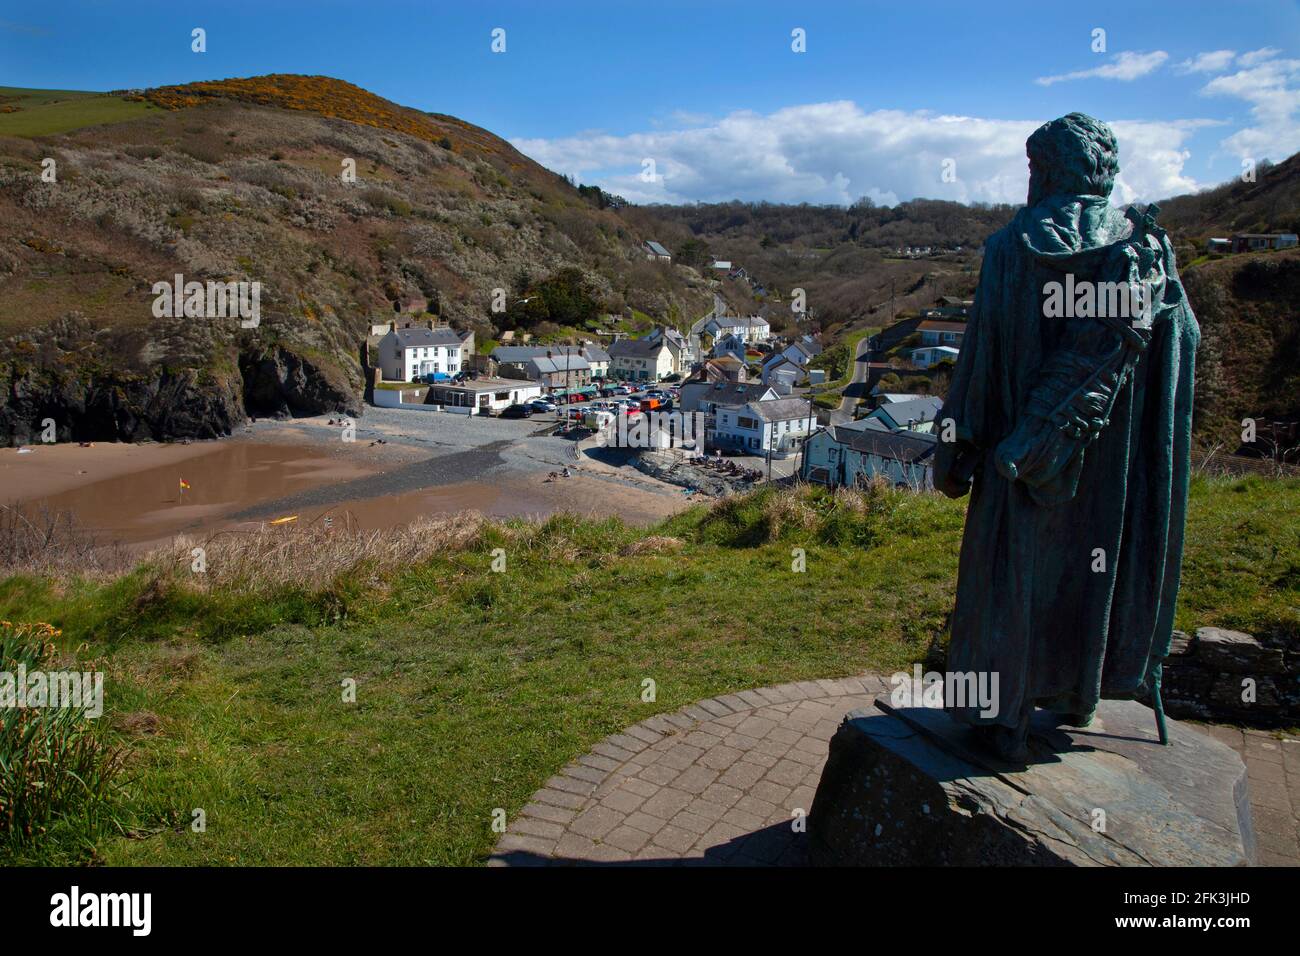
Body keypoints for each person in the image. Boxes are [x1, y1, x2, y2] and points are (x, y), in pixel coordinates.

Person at [933, 113, 1199, 760]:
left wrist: (956, 441)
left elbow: (982, 357)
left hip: (1019, 452)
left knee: (1014, 573)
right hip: (1113, 460)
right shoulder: (1145, 249)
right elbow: (1181, 339)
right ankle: (1079, 689)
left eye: (1034, 167)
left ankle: (1004, 711)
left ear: (1047, 169)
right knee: (1091, 570)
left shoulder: (1011, 248)